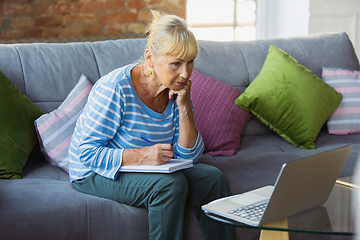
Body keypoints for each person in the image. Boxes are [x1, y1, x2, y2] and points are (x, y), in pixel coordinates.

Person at [68, 10, 234, 240]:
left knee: (212, 178)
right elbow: (86, 153)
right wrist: (141, 156)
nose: (185, 73)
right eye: (176, 63)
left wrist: (184, 106)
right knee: (169, 185)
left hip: (147, 167)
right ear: (150, 59)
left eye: (190, 62)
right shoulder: (116, 88)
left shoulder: (177, 89)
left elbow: (189, 157)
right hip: (93, 172)